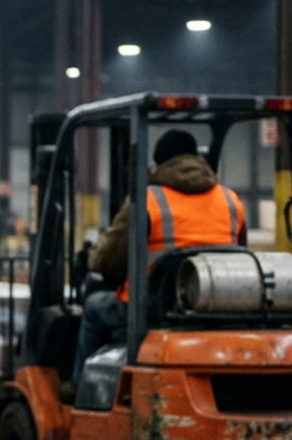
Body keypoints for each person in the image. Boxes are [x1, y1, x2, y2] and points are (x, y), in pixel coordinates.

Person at [73, 129, 245, 384]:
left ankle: (80, 386)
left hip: (152, 313)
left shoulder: (147, 200)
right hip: (214, 310)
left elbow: (107, 260)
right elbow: (241, 256)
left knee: (94, 307)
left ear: (159, 162)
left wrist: (89, 257)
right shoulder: (230, 201)